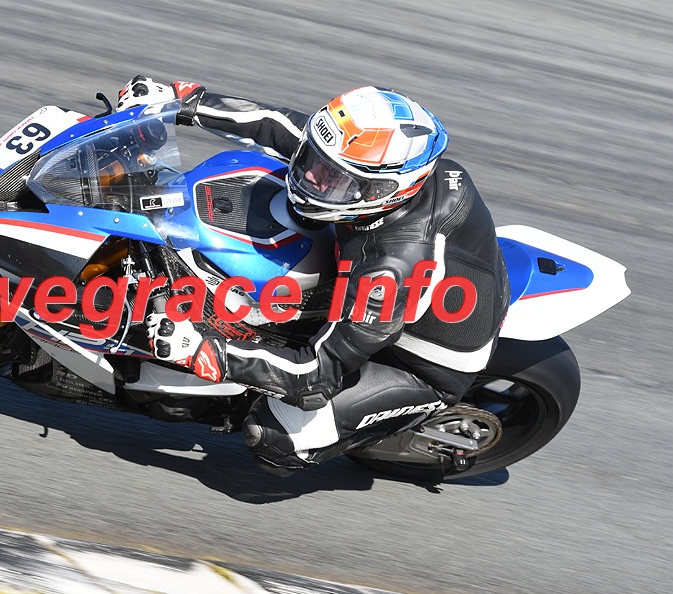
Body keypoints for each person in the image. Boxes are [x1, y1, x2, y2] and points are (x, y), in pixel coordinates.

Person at [117, 76, 510, 475]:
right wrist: (184, 102)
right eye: (314, 160)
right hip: (424, 289)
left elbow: (319, 372)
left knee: (273, 435)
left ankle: (371, 425)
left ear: (381, 191)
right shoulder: (364, 166)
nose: (311, 176)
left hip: (416, 361)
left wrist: (210, 352)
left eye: (333, 179)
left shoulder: (390, 267)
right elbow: (279, 125)